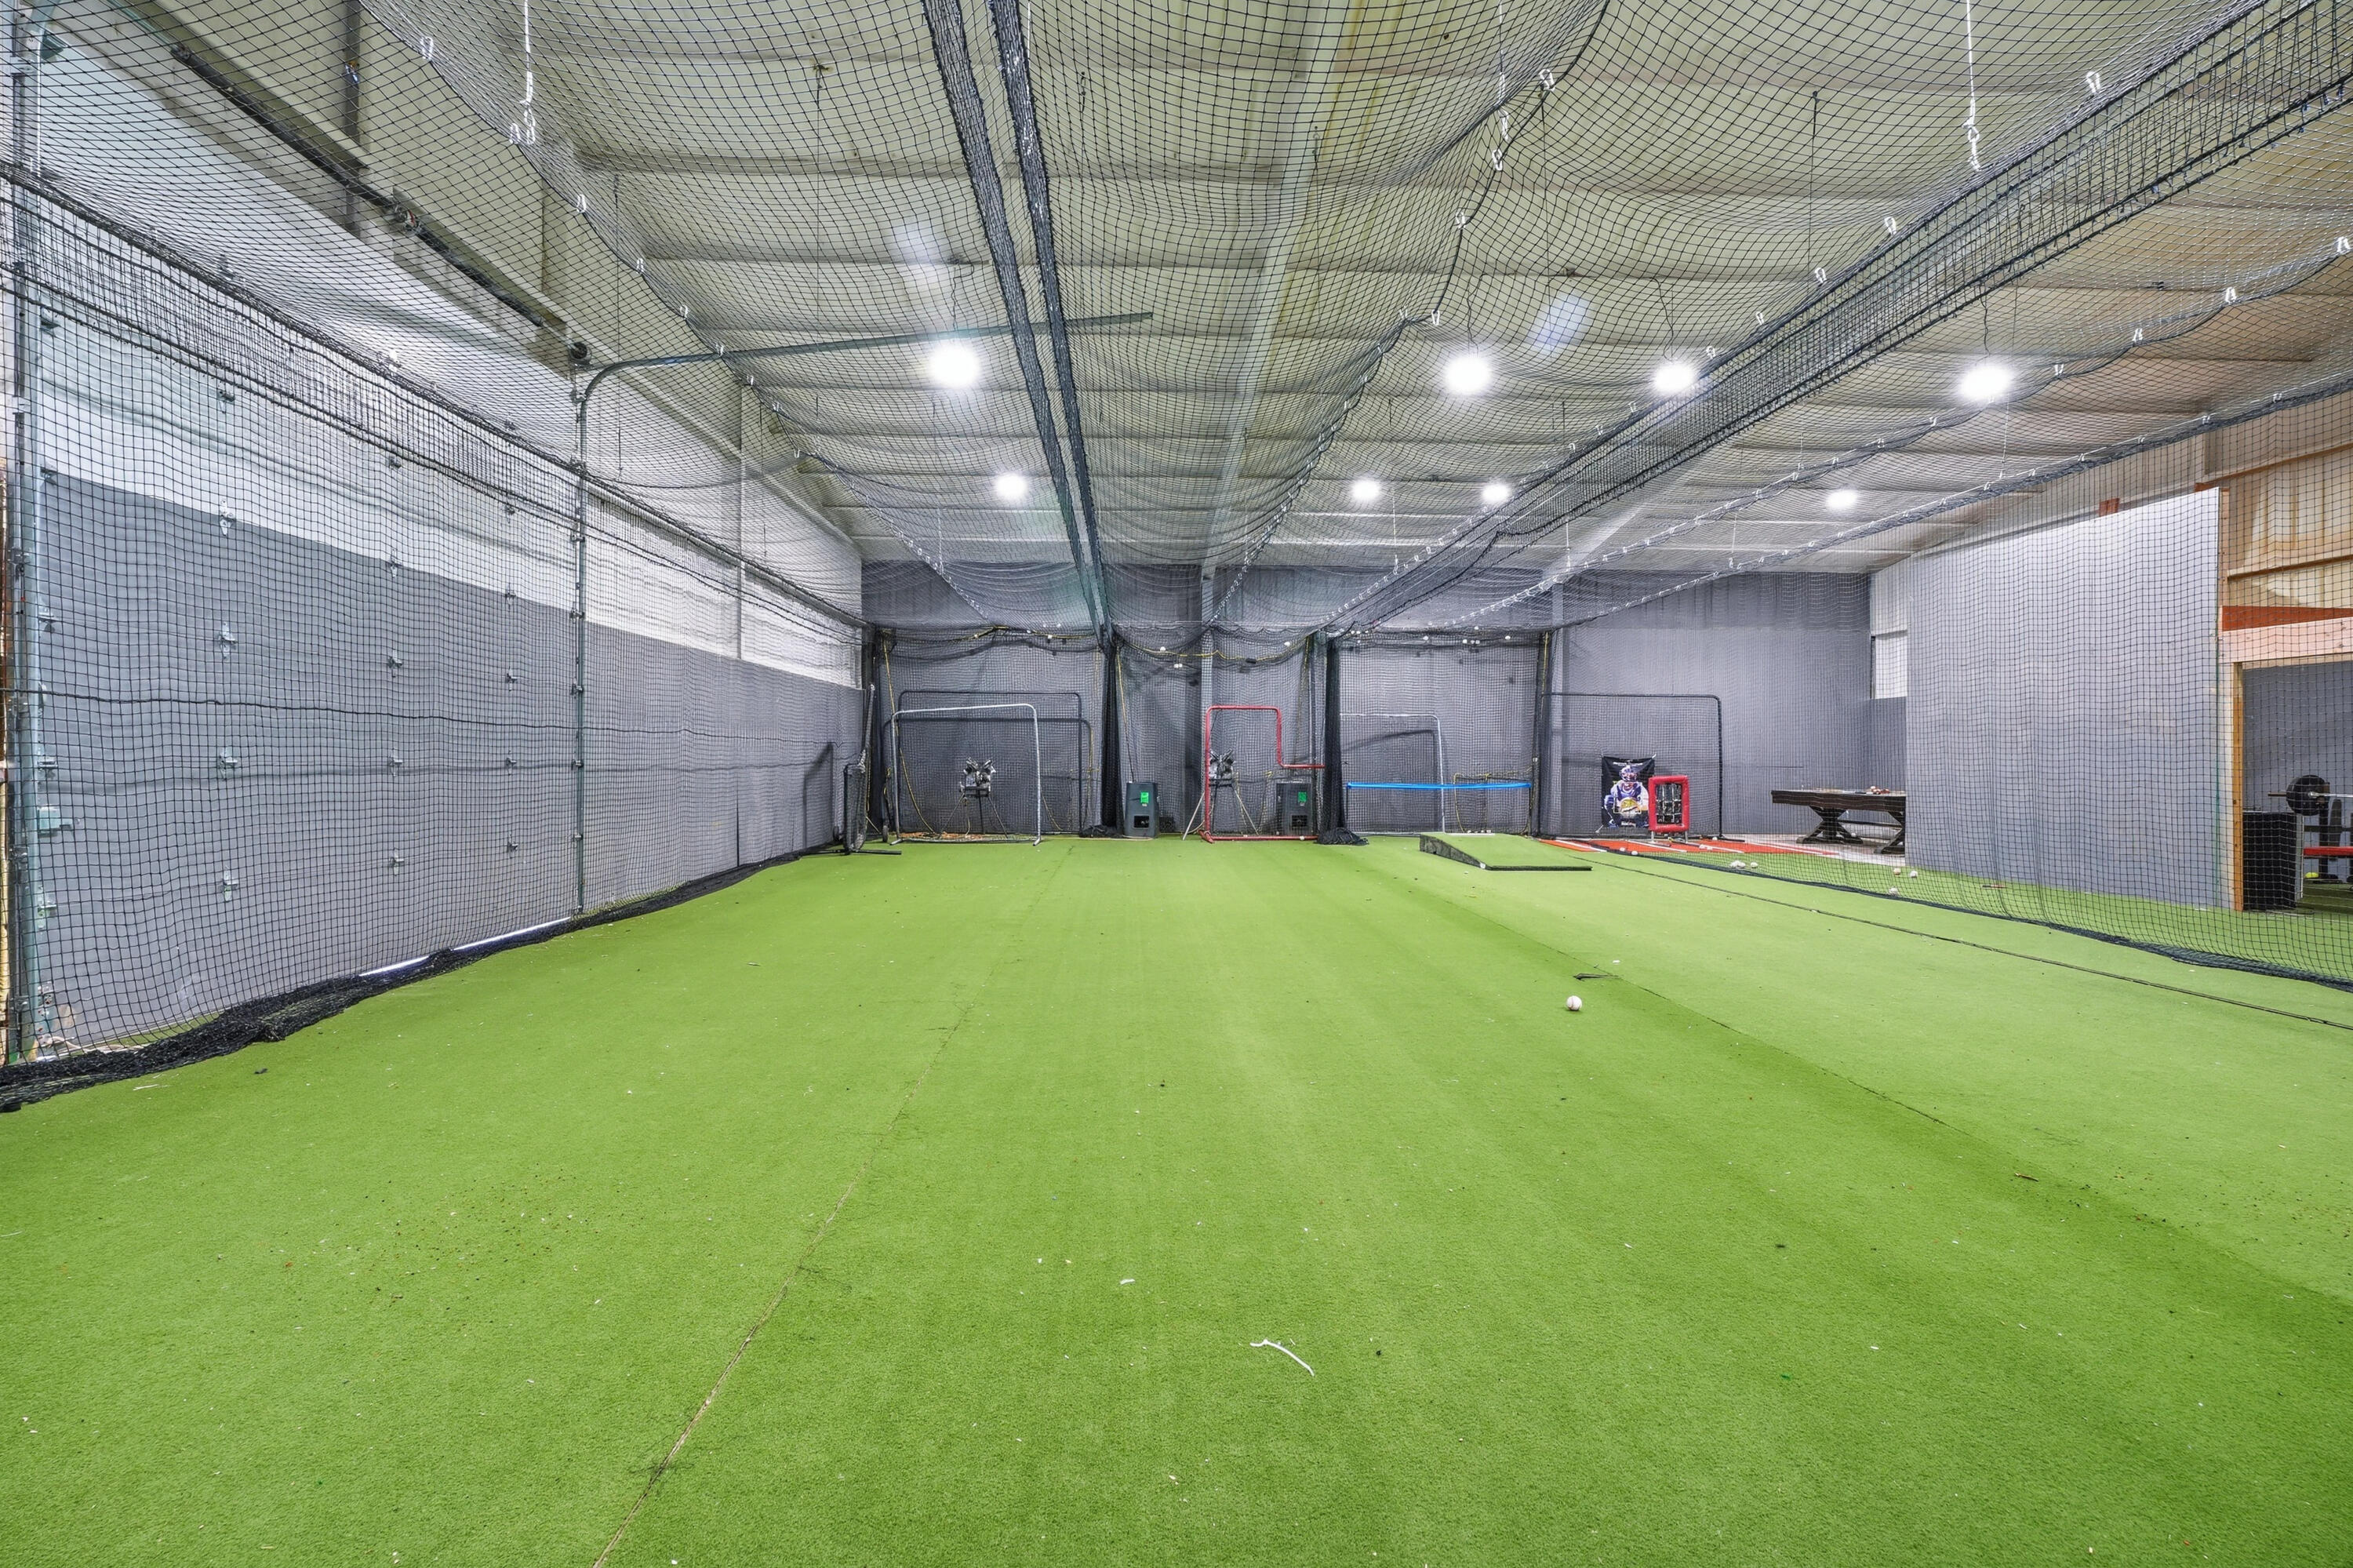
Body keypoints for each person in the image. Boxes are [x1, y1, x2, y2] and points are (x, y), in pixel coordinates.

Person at [1602, 761, 1649, 832]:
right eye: (1626, 782)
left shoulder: (1640, 787)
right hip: (1621, 811)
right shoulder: (1617, 787)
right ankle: (1616, 821)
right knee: (1608, 799)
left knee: (1648, 804)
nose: (1628, 784)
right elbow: (1615, 802)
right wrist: (1622, 807)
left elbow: (1646, 805)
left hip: (1636, 812)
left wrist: (1636, 806)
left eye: (1630, 782)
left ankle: (1640, 822)